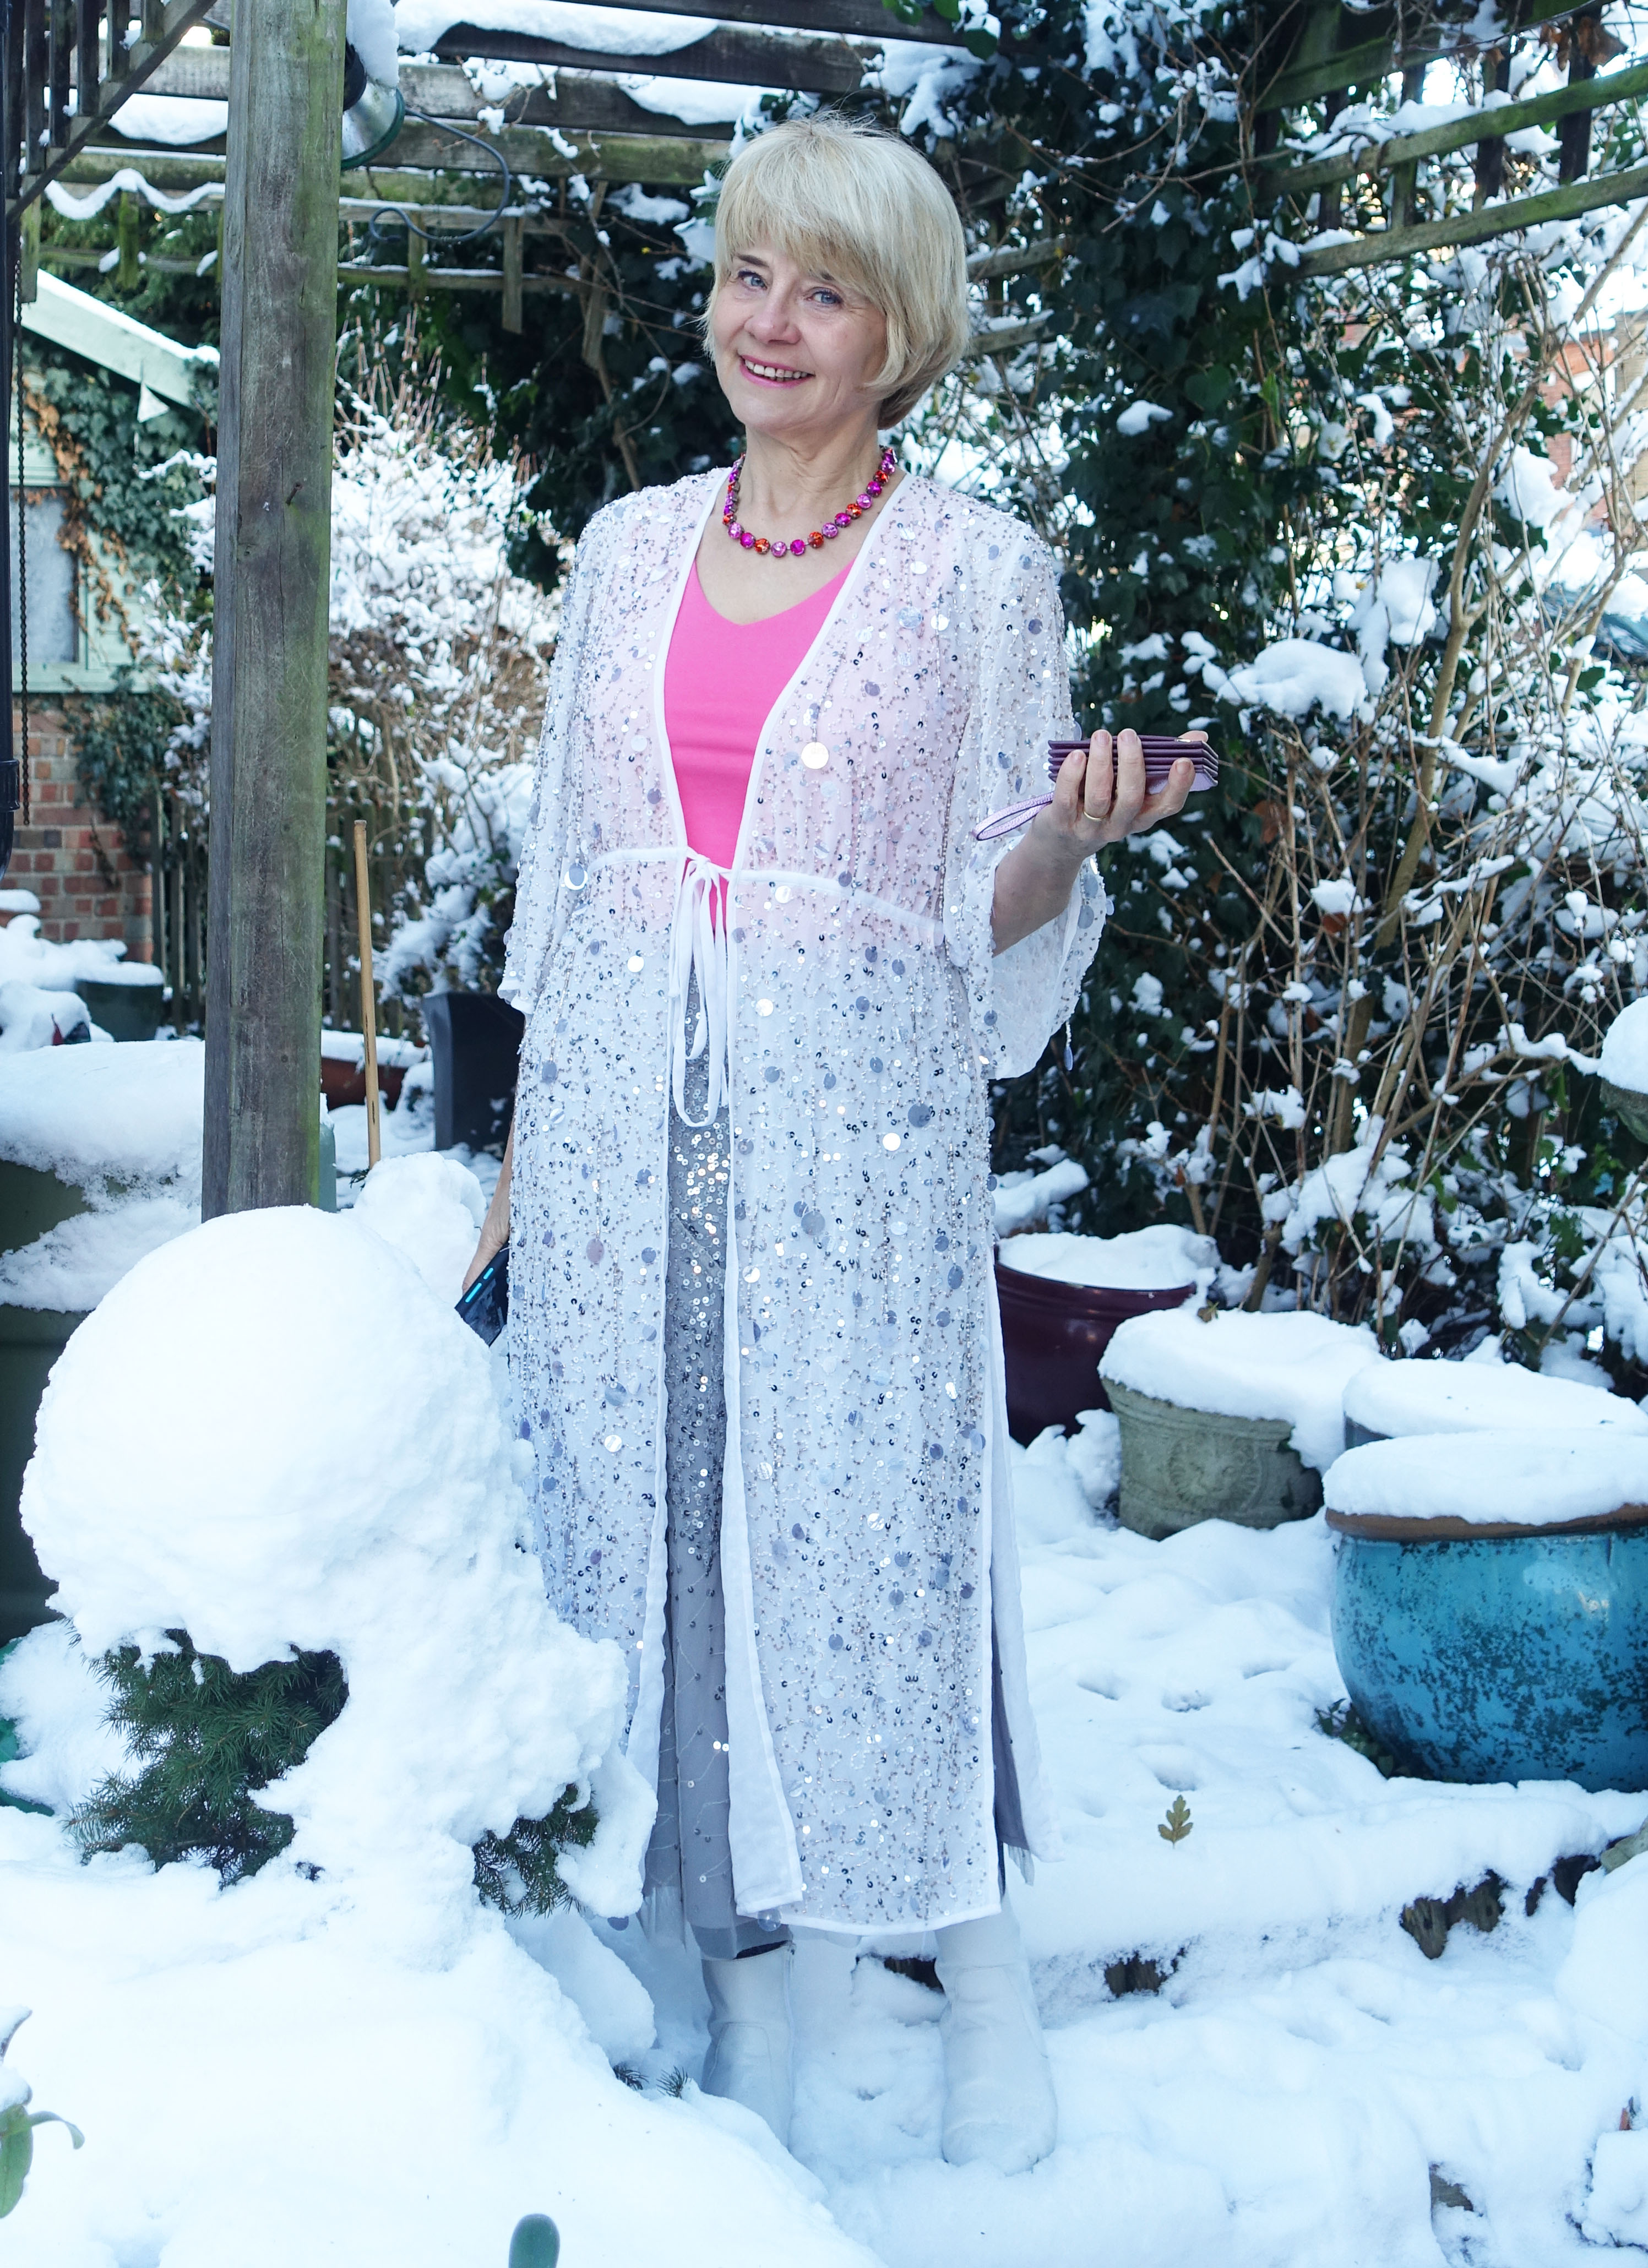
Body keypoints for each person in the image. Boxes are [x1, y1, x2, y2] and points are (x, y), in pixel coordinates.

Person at [463, 112, 1194, 2172]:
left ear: (897, 332)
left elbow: (987, 902)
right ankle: (755, 1991)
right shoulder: (622, 554)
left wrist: (1068, 826)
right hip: (624, 1143)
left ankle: (970, 1975)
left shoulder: (975, 570)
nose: (766, 323)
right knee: (654, 1540)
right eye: (744, 277)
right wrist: (521, 1170)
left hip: (850, 1151)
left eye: (823, 289)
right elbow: (565, 883)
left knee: (875, 1545)